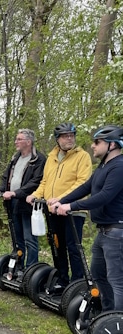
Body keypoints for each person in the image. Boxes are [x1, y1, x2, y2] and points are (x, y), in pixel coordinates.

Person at [53, 125, 123, 311]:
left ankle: (117, 324)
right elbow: (86, 188)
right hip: (103, 231)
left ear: (113, 144)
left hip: (117, 232)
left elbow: (104, 196)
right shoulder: (103, 166)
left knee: (116, 280)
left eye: (97, 142)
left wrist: (71, 206)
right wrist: (61, 201)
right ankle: (107, 315)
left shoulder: (119, 167)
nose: (92, 146)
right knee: (98, 275)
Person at [26, 122, 92, 286]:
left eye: (72, 135)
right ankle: (63, 280)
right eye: (65, 136)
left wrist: (61, 199)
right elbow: (45, 182)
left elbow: (82, 183)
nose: (70, 138)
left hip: (73, 210)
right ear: (57, 139)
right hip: (52, 209)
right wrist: (35, 195)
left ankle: (77, 283)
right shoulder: (52, 157)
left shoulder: (82, 156)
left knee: (73, 247)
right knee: (57, 245)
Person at [0, 129, 46, 268]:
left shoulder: (38, 159)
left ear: (28, 141)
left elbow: (36, 181)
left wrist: (16, 193)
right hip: (13, 203)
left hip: (28, 203)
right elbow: (6, 177)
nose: (16, 142)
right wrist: (0, 190)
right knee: (17, 238)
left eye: (19, 139)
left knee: (29, 239)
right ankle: (18, 266)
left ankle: (31, 269)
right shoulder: (15, 158)